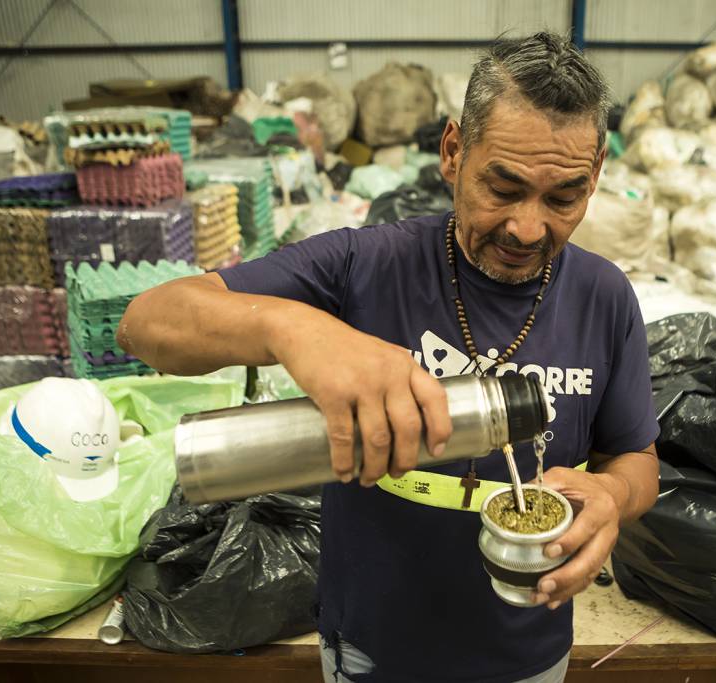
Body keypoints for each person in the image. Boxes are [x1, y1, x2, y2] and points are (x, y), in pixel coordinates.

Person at [119, 32, 660, 683]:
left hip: (530, 656)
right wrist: (294, 328)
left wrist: (610, 493)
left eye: (563, 197)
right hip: (372, 654)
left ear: (596, 171)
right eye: (504, 186)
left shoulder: (604, 297)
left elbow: (635, 458)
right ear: (454, 151)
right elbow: (145, 323)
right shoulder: (364, 266)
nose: (526, 227)